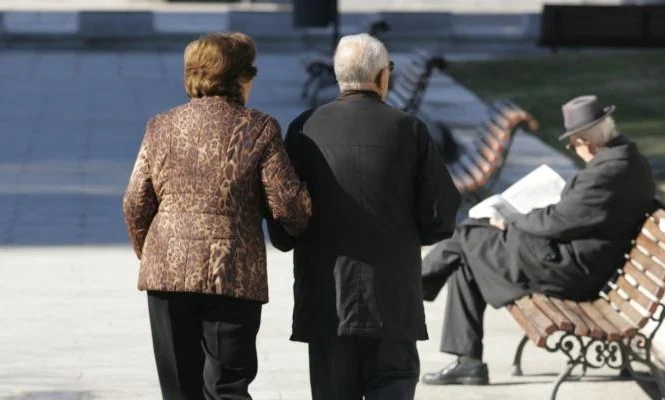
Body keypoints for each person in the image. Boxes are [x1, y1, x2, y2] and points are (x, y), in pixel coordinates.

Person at [267, 33, 461, 400]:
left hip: (326, 299)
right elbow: (440, 217)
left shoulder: (303, 128)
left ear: (341, 78)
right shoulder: (410, 130)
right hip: (392, 300)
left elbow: (283, 223)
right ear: (382, 78)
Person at [122, 33, 312, 400]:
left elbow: (134, 201)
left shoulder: (160, 125)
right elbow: (288, 202)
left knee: (179, 389)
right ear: (241, 77)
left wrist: (150, 252)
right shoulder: (258, 127)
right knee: (227, 386)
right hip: (233, 272)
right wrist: (300, 222)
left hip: (167, 272)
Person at [421, 95, 655, 386]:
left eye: (573, 144)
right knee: (471, 242)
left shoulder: (609, 172)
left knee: (468, 235)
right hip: (575, 258)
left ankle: (412, 286)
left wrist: (512, 220)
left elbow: (557, 221)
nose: (574, 149)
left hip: (570, 270)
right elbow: (570, 216)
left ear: (586, 141)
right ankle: (466, 360)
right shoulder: (626, 160)